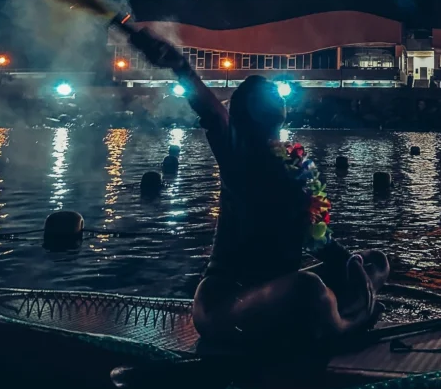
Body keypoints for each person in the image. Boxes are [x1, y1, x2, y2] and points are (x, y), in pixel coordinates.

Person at [126, 25, 389, 351]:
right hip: (225, 304)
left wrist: (352, 264)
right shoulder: (238, 154)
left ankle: (335, 313)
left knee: (374, 261)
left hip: (274, 293)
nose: (274, 91)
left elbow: (318, 241)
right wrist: (179, 65)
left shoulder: (294, 167)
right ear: (247, 110)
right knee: (308, 288)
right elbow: (210, 111)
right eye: (264, 91)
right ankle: (349, 324)